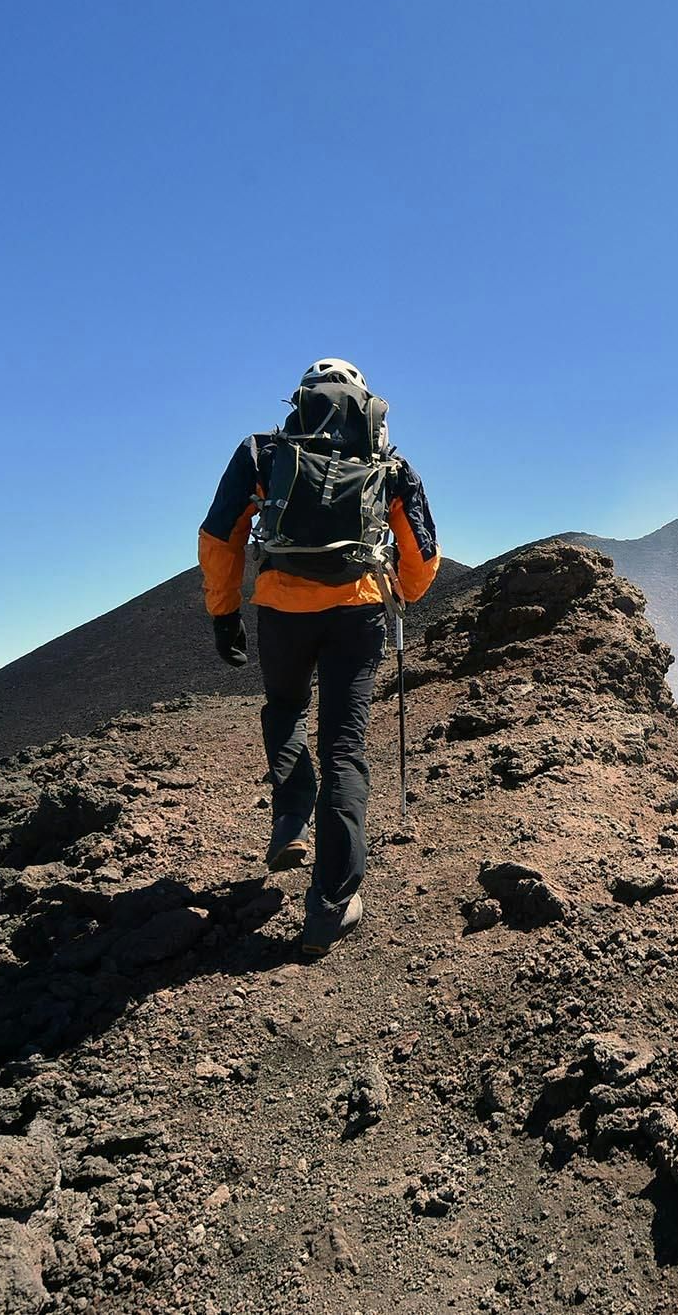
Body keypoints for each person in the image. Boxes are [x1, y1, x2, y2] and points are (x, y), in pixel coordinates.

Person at [198, 358, 440, 955]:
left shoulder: (263, 453)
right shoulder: (388, 462)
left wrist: (223, 612)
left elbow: (219, 534)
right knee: (345, 746)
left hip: (282, 609)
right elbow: (425, 553)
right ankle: (331, 904)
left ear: (300, 399)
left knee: (283, 707)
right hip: (356, 614)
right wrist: (399, 595)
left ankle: (292, 808)